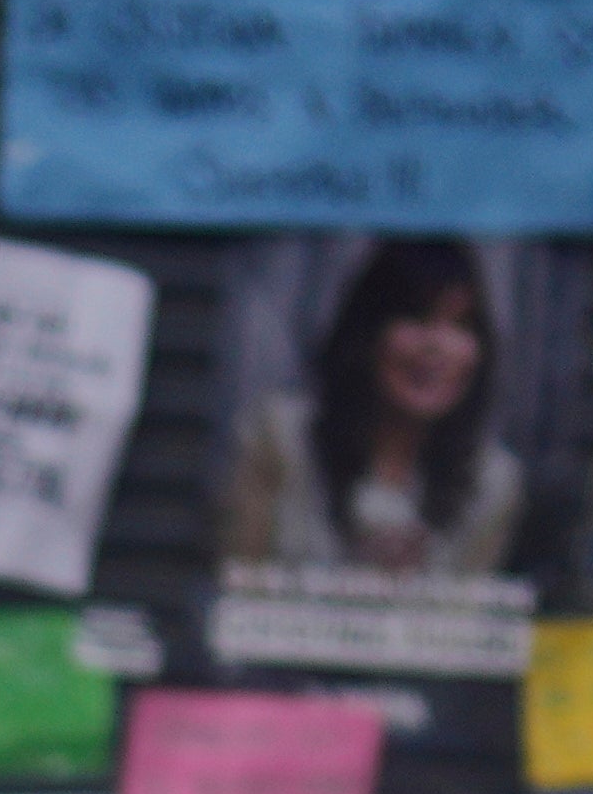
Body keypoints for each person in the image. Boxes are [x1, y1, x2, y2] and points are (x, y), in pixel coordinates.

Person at [223, 241, 523, 585]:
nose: (437, 346)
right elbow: (236, 583)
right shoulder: (282, 438)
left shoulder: (493, 482)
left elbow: (471, 608)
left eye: (461, 325)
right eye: (417, 317)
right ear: (367, 331)